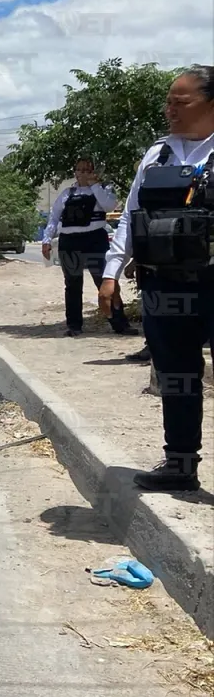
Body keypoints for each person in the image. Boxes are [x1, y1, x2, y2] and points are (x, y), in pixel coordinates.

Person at [100, 64, 214, 493]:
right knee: (177, 376)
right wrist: (111, 272)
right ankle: (180, 466)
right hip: (164, 284)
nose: (169, 110)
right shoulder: (157, 154)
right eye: (168, 102)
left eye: (179, 102)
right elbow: (132, 216)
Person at [42, 158, 136, 337]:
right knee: (72, 284)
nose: (83, 173)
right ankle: (74, 326)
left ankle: (120, 324)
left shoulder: (103, 190)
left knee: (105, 280)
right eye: (79, 170)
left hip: (94, 240)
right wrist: (46, 240)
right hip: (69, 242)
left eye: (87, 170)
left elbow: (110, 206)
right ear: (75, 172)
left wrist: (94, 185)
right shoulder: (67, 193)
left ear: (94, 171)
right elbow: (54, 218)